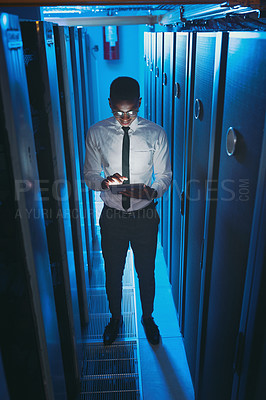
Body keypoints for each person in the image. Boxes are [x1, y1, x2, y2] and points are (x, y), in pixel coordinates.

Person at [84, 77, 172, 346]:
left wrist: (151, 191)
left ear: (140, 104)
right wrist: (103, 182)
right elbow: (88, 174)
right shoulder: (96, 133)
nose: (125, 117)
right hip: (112, 217)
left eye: (131, 111)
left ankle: (148, 318)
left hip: (145, 215)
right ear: (109, 104)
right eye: (119, 111)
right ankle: (115, 319)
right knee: (113, 271)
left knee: (146, 272)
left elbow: (165, 175)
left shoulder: (155, 133)